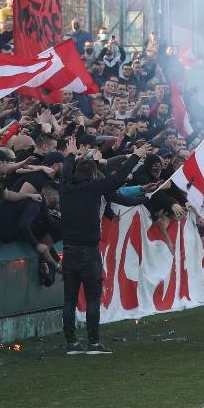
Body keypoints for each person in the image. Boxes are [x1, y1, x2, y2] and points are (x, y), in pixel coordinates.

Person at [59, 139, 148, 356]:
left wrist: (70, 155)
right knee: (92, 298)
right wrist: (135, 156)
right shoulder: (93, 187)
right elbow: (117, 179)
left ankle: (71, 343)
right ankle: (94, 343)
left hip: (68, 250)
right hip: (88, 251)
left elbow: (66, 172)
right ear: (92, 173)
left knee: (69, 299)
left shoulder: (65, 187)